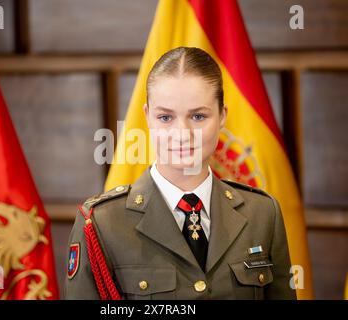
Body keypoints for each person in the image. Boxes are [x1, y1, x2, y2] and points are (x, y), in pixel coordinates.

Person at [64, 47, 296, 300]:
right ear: (148, 118)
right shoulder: (102, 223)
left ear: (222, 116)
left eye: (198, 116)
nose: (182, 133)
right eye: (165, 117)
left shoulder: (262, 213)